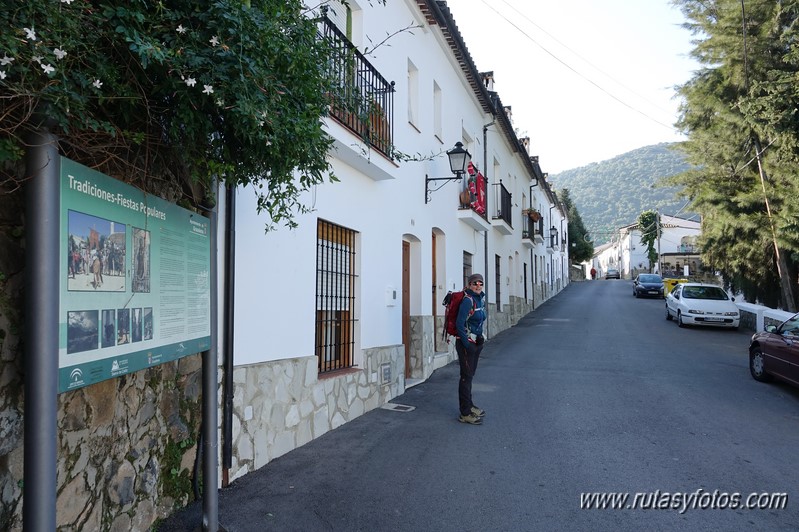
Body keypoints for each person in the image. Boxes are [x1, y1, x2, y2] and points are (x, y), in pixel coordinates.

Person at [455, 273, 487, 425]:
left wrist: (480, 338)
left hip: (476, 342)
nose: (478, 286)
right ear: (469, 285)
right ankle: (465, 413)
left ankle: (470, 405)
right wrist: (468, 345)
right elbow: (459, 324)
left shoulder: (479, 299)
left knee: (469, 376)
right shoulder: (468, 301)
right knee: (465, 377)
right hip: (467, 344)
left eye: (480, 283)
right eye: (475, 283)